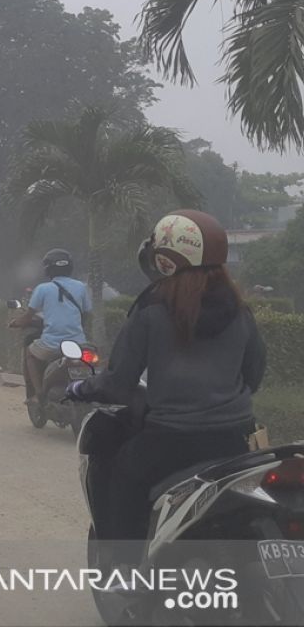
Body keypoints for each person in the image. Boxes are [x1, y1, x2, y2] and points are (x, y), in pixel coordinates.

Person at [66, 210, 265, 562]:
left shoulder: (151, 310)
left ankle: (123, 569)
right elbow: (254, 376)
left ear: (164, 260)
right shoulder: (240, 311)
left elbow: (119, 382)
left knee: (120, 476)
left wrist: (83, 389)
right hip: (236, 439)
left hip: (172, 440)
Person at [8, 248, 90, 406]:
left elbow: (27, 317)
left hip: (52, 344)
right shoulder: (81, 287)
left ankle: (39, 395)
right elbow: (85, 314)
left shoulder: (43, 289)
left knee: (30, 353)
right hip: (78, 343)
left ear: (48, 269)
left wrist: (15, 323)